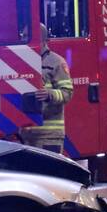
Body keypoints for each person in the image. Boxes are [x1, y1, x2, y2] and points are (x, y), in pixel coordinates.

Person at [20, 24, 73, 153]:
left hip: (49, 135)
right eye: (22, 35)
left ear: (41, 39)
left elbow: (68, 92)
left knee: (48, 173)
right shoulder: (21, 62)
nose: (22, 39)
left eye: (26, 36)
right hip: (26, 135)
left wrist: (50, 94)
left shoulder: (56, 62)